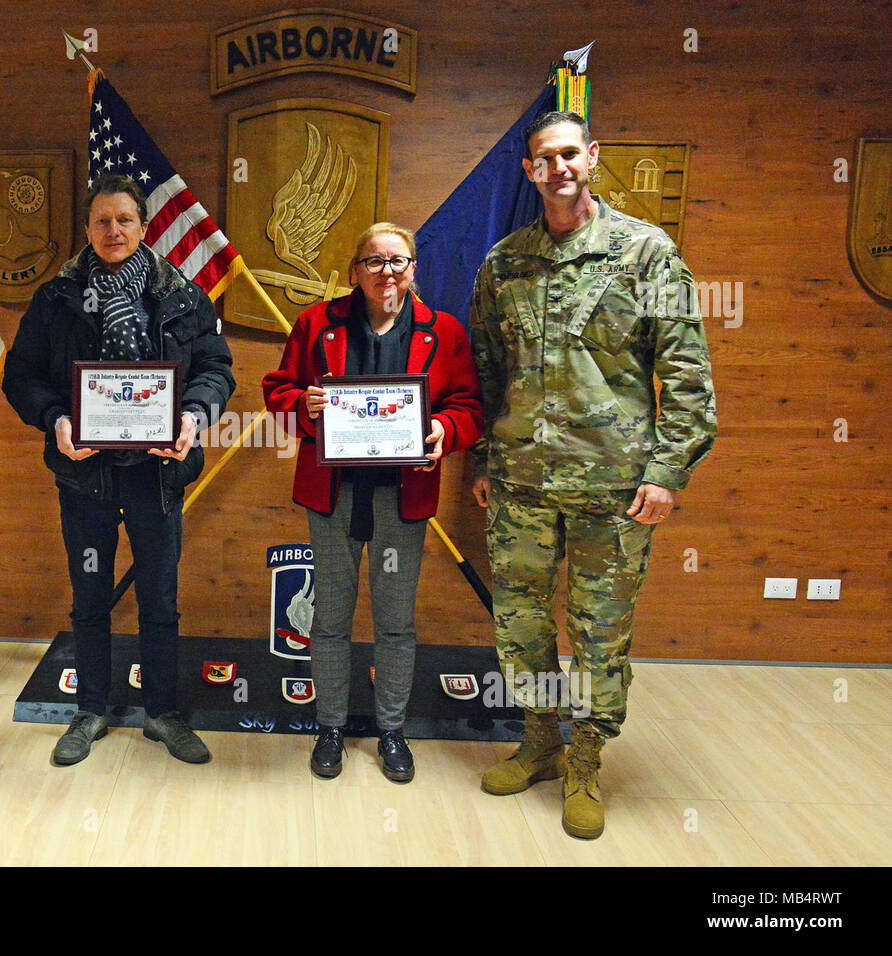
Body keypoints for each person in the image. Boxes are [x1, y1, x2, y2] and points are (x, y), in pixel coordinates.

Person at [469, 111, 717, 838]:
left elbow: (688, 372)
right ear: (528, 170)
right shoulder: (504, 263)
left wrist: (669, 470)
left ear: (593, 156)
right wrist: (482, 457)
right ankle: (541, 739)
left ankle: (587, 757)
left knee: (600, 631)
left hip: (615, 488)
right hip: (519, 484)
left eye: (570, 153)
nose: (558, 167)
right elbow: (486, 370)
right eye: (544, 158)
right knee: (520, 623)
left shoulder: (648, 255)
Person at [2, 174, 235, 767]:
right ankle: (91, 710)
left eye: (124, 220)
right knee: (89, 595)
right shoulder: (57, 298)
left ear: (143, 225)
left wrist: (193, 417)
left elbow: (216, 367)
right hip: (86, 476)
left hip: (159, 473)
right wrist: (54, 418)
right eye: (102, 221)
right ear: (87, 229)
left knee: (159, 594)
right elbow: (21, 375)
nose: (113, 231)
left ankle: (162, 713)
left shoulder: (181, 295)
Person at [263, 223, 483, 783]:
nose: (387, 271)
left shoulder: (445, 331)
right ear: (355, 269)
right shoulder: (318, 323)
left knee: (394, 621)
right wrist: (304, 405)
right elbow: (278, 390)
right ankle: (330, 727)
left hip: (402, 495)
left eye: (398, 261)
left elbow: (468, 407)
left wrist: (441, 429)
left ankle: (391, 730)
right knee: (330, 618)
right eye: (374, 261)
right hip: (332, 494)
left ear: (414, 269)